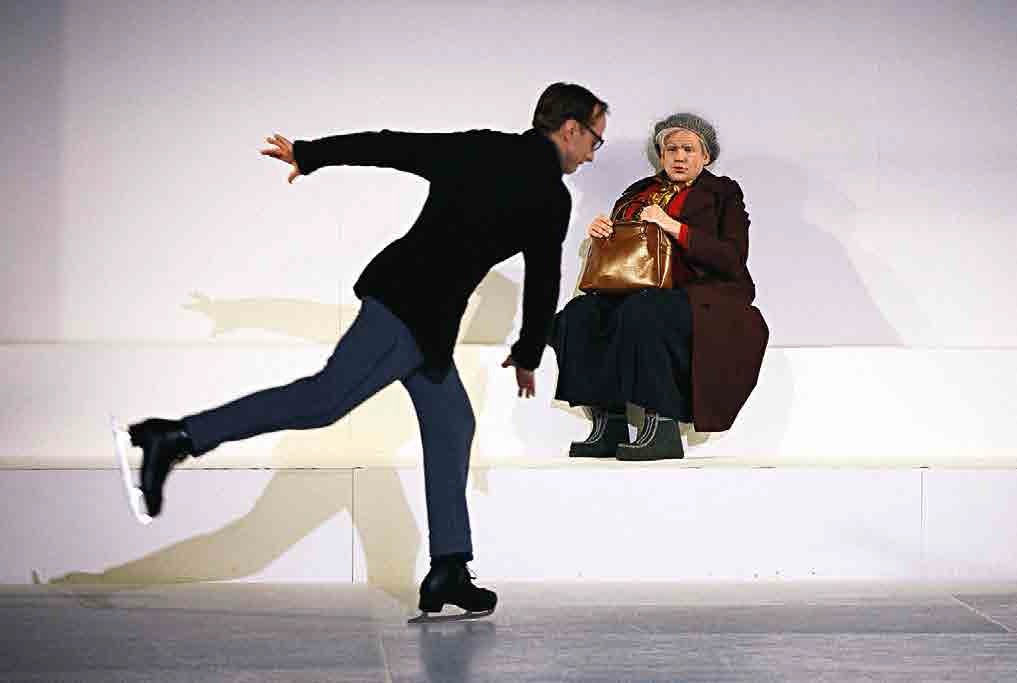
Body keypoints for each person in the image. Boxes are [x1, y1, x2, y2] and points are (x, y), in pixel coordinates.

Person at [126, 82, 609, 620]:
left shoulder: (480, 146)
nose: (592, 154)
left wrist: (311, 154)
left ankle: (450, 567)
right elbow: (544, 280)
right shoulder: (551, 198)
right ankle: (179, 436)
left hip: (419, 313)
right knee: (322, 401)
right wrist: (528, 353)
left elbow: (392, 146)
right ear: (570, 129)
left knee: (452, 423)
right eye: (595, 141)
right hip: (409, 313)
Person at [551, 112, 767, 461]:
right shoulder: (639, 192)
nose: (679, 157)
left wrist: (673, 226)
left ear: (706, 156)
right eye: (671, 150)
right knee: (581, 314)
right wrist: (604, 233)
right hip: (637, 287)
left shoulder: (722, 193)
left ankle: (662, 428)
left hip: (700, 294)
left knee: (646, 310)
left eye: (688, 149)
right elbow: (627, 249)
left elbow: (732, 258)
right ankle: (609, 424)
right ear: (661, 155)